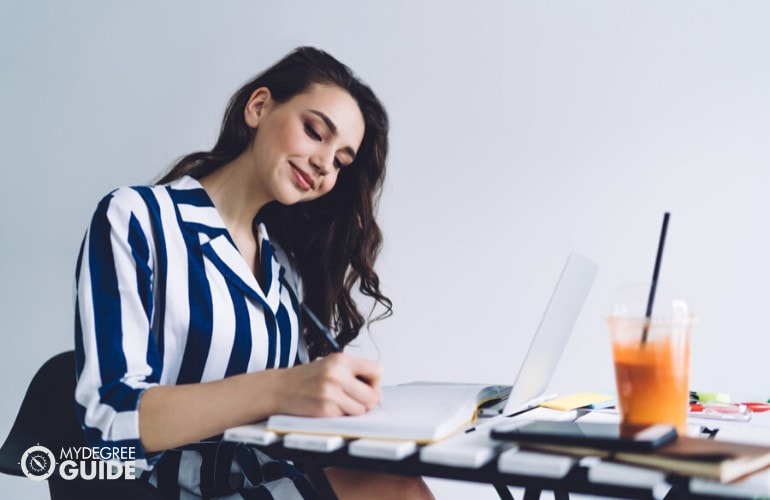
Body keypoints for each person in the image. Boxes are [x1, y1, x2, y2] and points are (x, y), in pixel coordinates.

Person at [74, 46, 433, 499]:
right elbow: (107, 428)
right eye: (315, 131)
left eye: (341, 161)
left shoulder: (283, 267)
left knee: (397, 483)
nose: (325, 164)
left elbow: (288, 424)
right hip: (167, 491)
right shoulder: (137, 218)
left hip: (266, 481)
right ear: (259, 107)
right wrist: (281, 389)